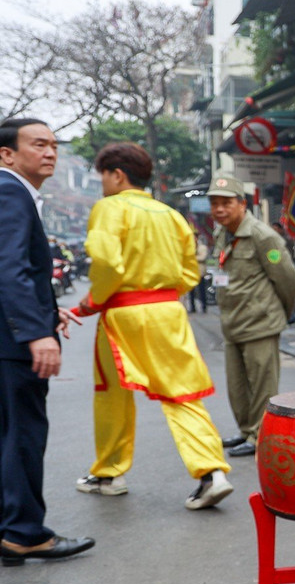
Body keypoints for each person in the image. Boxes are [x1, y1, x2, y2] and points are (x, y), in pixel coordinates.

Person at [72, 142, 234, 510]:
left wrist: (92, 300)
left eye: (103, 176)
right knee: (181, 392)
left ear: (117, 174)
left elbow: (107, 263)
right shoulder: (170, 214)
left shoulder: (108, 208)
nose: (102, 184)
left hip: (123, 313)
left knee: (111, 391)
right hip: (168, 310)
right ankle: (212, 473)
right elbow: (191, 271)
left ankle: (109, 472)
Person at [0, 118, 95, 566]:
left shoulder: (17, 193)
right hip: (13, 345)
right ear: (7, 154)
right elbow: (10, 268)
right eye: (38, 144)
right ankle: (25, 533)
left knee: (10, 435)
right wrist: (38, 333)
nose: (51, 152)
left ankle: (11, 528)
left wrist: (46, 309)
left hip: (10, 335)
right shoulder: (10, 192)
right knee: (23, 436)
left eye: (54, 145)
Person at [207, 174, 295, 458]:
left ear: (242, 204)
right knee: (237, 386)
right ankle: (246, 429)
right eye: (215, 204)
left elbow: (287, 280)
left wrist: (280, 314)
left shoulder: (262, 236)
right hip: (232, 322)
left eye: (226, 203)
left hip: (259, 322)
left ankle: (260, 434)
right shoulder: (222, 234)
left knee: (262, 385)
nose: (220, 209)